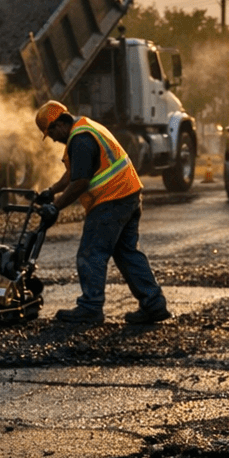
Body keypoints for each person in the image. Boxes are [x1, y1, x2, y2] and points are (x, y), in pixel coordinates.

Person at [33, 100, 170, 325]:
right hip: (129, 194)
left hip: (111, 199)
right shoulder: (86, 128)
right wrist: (51, 191)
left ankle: (90, 308)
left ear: (60, 123)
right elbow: (73, 173)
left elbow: (80, 182)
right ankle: (154, 305)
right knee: (127, 253)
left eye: (52, 132)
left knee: (91, 253)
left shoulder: (80, 140)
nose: (55, 139)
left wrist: (55, 207)